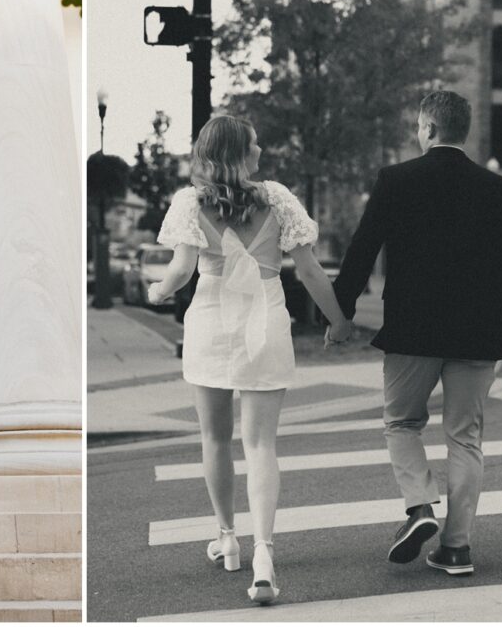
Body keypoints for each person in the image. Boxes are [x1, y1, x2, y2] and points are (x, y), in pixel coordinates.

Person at [148, 116, 352, 604]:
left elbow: (181, 271)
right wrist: (339, 321)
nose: (261, 148)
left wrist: (157, 290)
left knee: (215, 439)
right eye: (254, 143)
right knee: (261, 445)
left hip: (212, 319)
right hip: (266, 321)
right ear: (239, 152)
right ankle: (264, 555)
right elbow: (308, 270)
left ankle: (227, 538)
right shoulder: (278, 199)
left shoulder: (190, 203)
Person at [331, 90, 502, 576]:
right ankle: (457, 548)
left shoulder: (396, 180)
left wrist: (339, 316)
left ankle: (420, 507)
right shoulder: (497, 188)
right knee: (465, 437)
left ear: (427, 128)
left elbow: (362, 249)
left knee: (401, 423)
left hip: (412, 331)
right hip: (479, 335)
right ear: (464, 131)